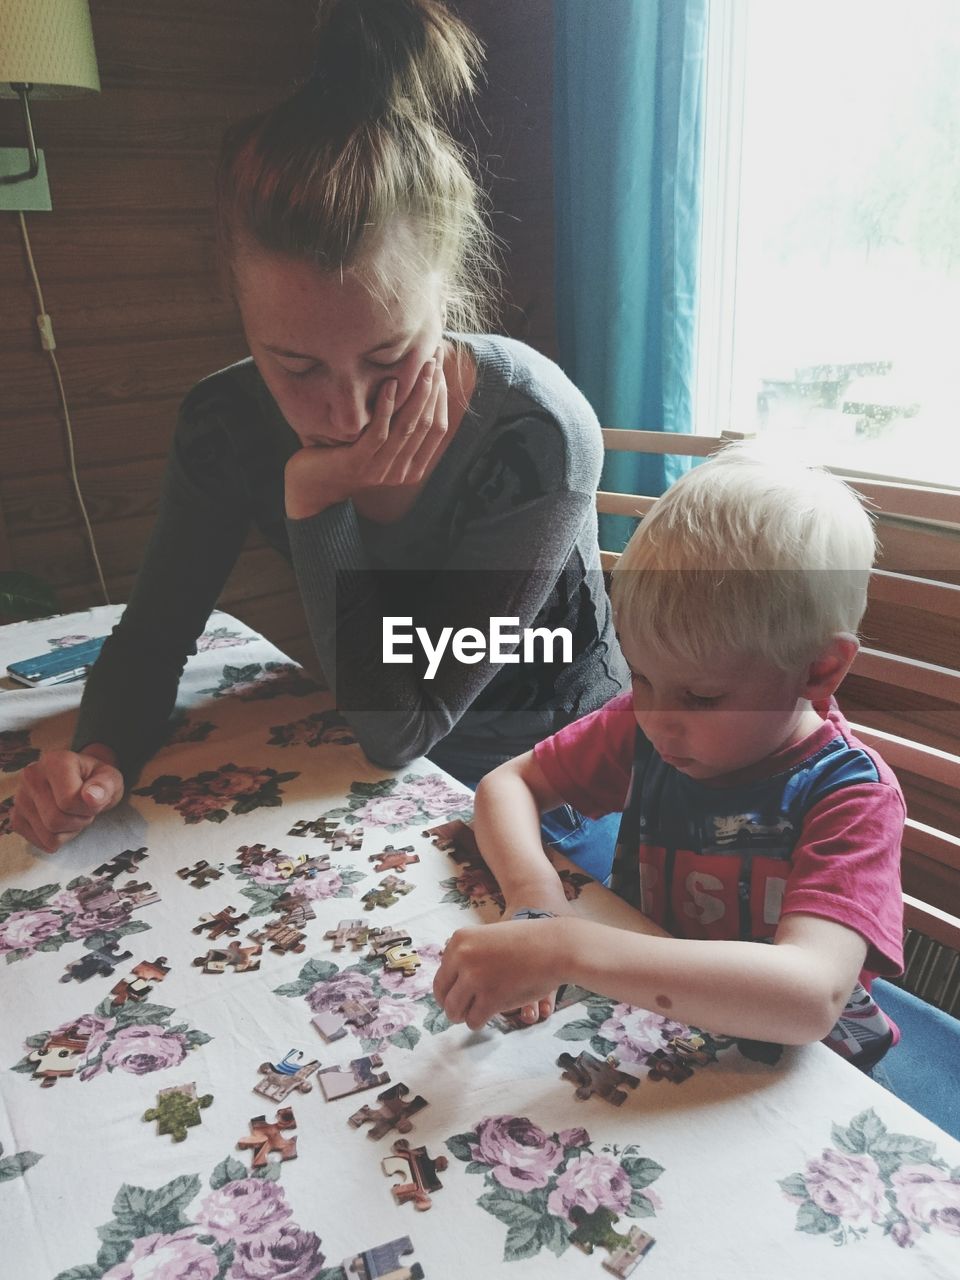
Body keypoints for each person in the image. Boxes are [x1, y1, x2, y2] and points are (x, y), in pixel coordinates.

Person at [11, 0, 626, 877]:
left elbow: (401, 728)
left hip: (567, 775)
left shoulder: (536, 433)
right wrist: (98, 756)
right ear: (237, 312)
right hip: (368, 771)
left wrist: (317, 501)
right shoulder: (224, 424)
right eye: (294, 366)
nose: (345, 413)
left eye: (389, 357)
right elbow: (150, 640)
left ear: (445, 298)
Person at [433, 445, 906, 1070]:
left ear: (818, 670)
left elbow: (810, 999)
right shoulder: (648, 720)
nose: (655, 719)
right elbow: (508, 785)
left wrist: (568, 947)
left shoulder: (853, 796)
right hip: (651, 1025)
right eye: (641, 675)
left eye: (703, 696)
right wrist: (534, 895)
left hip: (781, 1074)